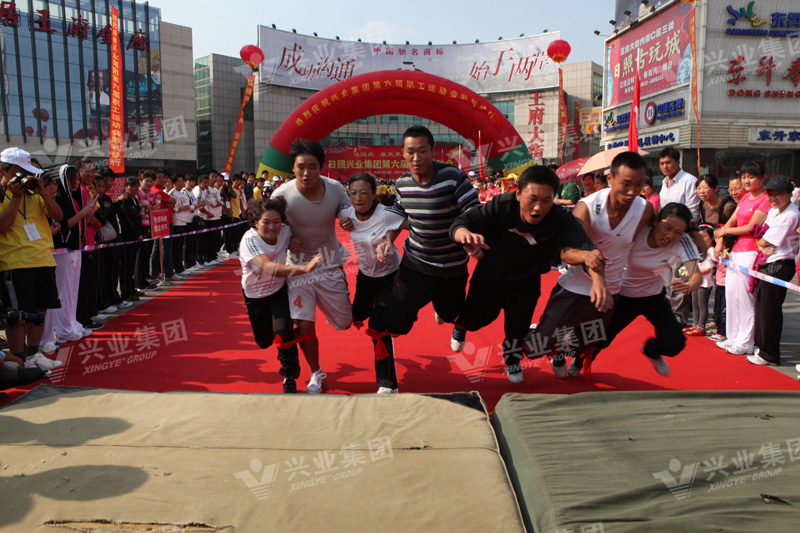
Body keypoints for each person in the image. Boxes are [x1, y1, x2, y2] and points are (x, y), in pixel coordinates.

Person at [450, 165, 603, 383]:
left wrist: (597, 279)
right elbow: (461, 223)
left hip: (526, 283)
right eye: (532, 199)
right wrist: (464, 234)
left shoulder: (560, 219)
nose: (538, 208)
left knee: (517, 329)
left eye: (547, 200)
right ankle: (461, 326)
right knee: (476, 319)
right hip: (490, 277)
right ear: (518, 194)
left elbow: (586, 248)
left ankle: (512, 360)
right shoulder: (502, 205)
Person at [525, 151, 653, 378]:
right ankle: (530, 340)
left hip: (610, 291)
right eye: (626, 184)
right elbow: (566, 251)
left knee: (587, 341)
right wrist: (589, 262)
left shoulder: (644, 209)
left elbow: (656, 236)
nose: (632, 192)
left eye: (639, 184)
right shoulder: (588, 207)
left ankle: (562, 352)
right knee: (538, 346)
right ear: (610, 179)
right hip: (575, 288)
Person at [377, 126, 481, 349]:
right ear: (403, 153)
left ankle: (442, 309)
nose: (416, 158)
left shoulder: (452, 177)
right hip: (415, 263)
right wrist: (388, 240)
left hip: (451, 265)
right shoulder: (402, 184)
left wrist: (470, 234)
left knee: (448, 315)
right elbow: (398, 215)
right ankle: (410, 303)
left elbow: (473, 209)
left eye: (422, 151)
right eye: (411, 152)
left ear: (433, 152)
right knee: (394, 326)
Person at [271, 139, 353, 394]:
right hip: (297, 268)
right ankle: (315, 372)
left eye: (312, 167)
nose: (306, 173)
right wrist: (286, 239)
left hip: (329, 262)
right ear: (293, 168)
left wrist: (347, 218)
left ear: (321, 167)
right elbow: (269, 228)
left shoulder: (335, 189)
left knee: (344, 322)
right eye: (301, 167)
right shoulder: (281, 195)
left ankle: (329, 306)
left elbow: (346, 208)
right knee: (305, 325)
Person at [590, 203, 702, 377]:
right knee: (601, 339)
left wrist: (689, 284)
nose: (670, 236)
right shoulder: (637, 232)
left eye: (678, 232)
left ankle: (651, 351)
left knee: (675, 342)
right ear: (656, 221)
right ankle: (580, 361)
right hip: (623, 296)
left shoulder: (683, 241)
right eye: (667, 228)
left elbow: (694, 274)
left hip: (653, 297)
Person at [240, 198, 321, 393]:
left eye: (276, 221)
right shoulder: (249, 240)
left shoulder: (286, 231)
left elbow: (305, 227)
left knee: (284, 334)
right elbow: (269, 267)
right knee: (264, 341)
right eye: (266, 222)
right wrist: (304, 268)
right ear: (256, 222)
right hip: (255, 297)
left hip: (278, 292)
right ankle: (285, 357)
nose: (272, 227)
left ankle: (289, 376)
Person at [339, 174, 407, 393]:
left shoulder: (385, 214)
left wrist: (389, 239)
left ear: (374, 194)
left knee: (377, 325)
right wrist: (342, 222)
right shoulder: (346, 213)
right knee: (358, 315)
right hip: (366, 276)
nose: (358, 198)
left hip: (390, 276)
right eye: (353, 193)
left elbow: (413, 223)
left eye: (364, 193)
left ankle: (388, 384)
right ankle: (388, 318)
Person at [0, 147, 64, 371]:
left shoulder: (34, 194)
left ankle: (34, 354)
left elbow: (58, 215)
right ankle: (19, 360)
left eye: (27, 172)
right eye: (18, 172)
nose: (24, 177)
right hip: (15, 262)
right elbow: (3, 226)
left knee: (39, 311)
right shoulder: (3, 194)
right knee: (17, 315)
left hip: (43, 259)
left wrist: (43, 192)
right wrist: (16, 198)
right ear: (3, 171)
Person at [715, 161, 770, 355]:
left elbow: (750, 228)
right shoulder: (746, 197)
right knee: (731, 295)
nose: (746, 181)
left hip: (752, 251)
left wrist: (725, 231)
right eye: (744, 177)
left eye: (751, 177)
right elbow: (731, 221)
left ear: (763, 177)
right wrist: (721, 240)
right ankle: (733, 337)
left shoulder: (765, 199)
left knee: (745, 298)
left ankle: (746, 341)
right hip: (736, 252)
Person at [748, 175, 800, 366]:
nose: (773, 199)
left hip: (780, 264)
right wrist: (760, 244)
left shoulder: (790, 215)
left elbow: (764, 240)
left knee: (770, 311)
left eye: (778, 194)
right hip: (768, 261)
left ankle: (770, 354)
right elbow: (759, 236)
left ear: (789, 194)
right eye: (770, 194)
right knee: (762, 307)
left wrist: (760, 243)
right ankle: (762, 348)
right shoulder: (774, 211)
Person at [657, 148, 701, 328]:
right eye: (662, 163)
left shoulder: (689, 181)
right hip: (665, 240)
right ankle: (668, 315)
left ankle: (680, 319)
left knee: (681, 278)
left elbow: (693, 214)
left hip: (683, 239)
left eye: (668, 162)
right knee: (668, 281)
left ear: (677, 162)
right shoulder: (664, 182)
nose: (665, 166)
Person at [115, 177, 144, 303]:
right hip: (127, 238)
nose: (134, 189)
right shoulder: (124, 200)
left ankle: (131, 289)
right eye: (131, 186)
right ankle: (126, 292)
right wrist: (137, 234)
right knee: (126, 266)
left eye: (136, 186)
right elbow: (126, 220)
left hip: (135, 238)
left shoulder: (134, 199)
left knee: (131, 265)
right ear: (125, 186)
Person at [686, 225, 715, 336]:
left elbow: (708, 268)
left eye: (704, 236)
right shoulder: (699, 250)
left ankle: (701, 326)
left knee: (702, 305)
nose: (701, 239)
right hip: (696, 281)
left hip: (705, 282)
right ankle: (695, 324)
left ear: (712, 238)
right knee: (695, 304)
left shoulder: (711, 251)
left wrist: (694, 271)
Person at [170, 174, 193, 276]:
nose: (180, 183)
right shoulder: (172, 193)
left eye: (181, 181)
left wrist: (184, 208)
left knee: (180, 246)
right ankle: (177, 268)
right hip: (176, 222)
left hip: (184, 221)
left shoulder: (182, 193)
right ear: (173, 183)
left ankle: (180, 266)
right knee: (176, 247)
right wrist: (182, 209)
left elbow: (188, 206)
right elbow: (173, 209)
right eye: (178, 181)